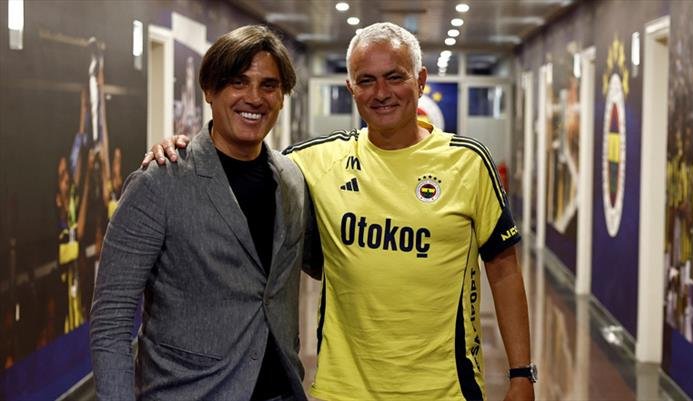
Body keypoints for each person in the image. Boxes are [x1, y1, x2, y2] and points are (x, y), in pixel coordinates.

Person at [145, 22, 534, 401]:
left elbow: (504, 271)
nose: (381, 93)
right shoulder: (314, 162)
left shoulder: (467, 162)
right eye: (366, 81)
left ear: (420, 80)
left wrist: (521, 374)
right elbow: (240, 158)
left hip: (446, 389)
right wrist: (184, 150)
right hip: (342, 388)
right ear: (351, 88)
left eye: (394, 77)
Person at [91, 25, 311, 401]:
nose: (254, 98)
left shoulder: (291, 178)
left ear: (282, 97)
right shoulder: (160, 181)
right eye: (238, 82)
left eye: (269, 86)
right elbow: (112, 316)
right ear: (209, 90)